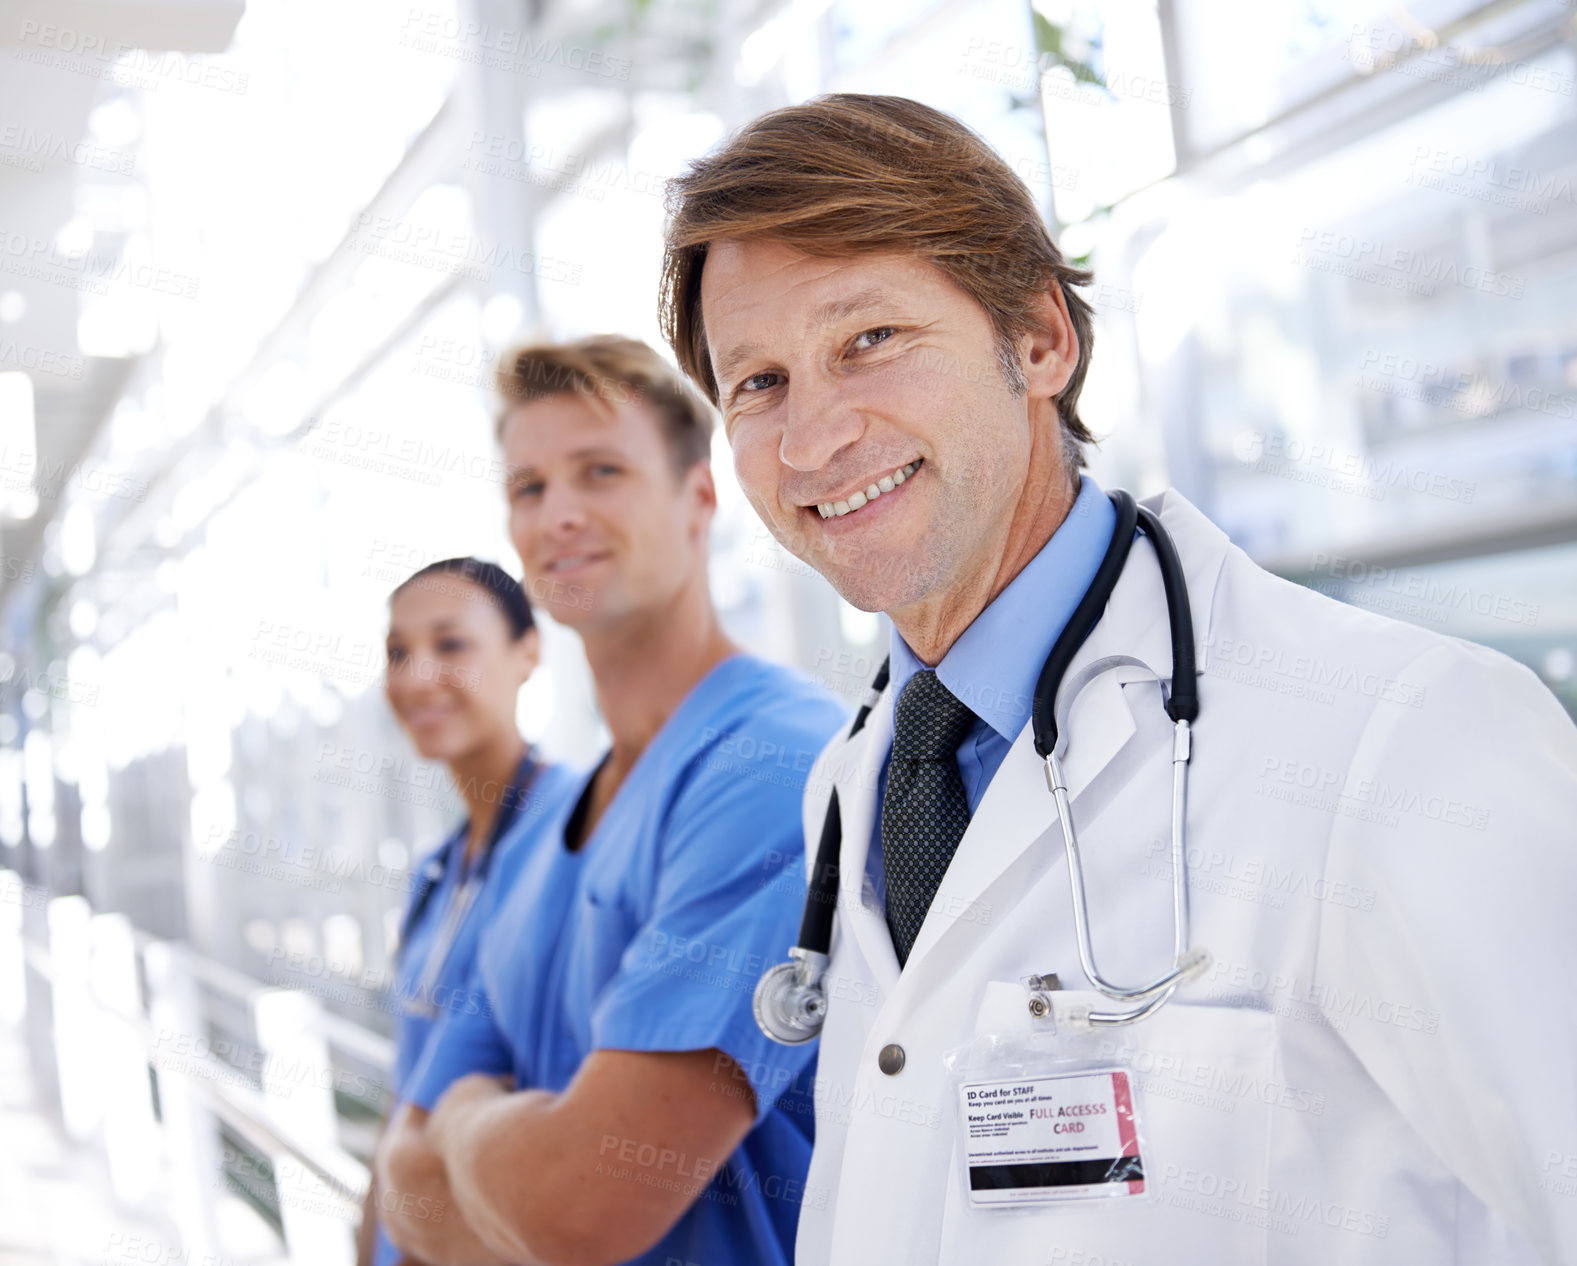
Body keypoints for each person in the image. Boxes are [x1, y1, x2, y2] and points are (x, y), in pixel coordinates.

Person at [659, 93, 1577, 1265]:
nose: (811, 439)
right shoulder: (857, 780)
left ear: (1039, 339)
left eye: (868, 340)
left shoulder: (1399, 744)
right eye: (757, 382)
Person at [374, 335, 846, 1266]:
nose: (560, 515)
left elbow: (579, 1211)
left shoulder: (770, 767)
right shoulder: (540, 828)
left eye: (601, 472)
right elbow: (405, 1192)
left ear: (698, 498)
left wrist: (469, 1122)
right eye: (529, 488)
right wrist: (519, 1170)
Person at [360, 558, 581, 1266]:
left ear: (527, 652)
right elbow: (405, 1094)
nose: (417, 676)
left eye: (450, 645)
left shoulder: (583, 835)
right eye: (398, 653)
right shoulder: (433, 874)